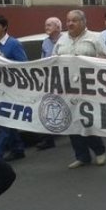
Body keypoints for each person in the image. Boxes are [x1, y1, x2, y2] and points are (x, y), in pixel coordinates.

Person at [54, 10, 106, 169]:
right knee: (72, 122)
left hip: (89, 88)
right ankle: (82, 156)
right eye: (68, 21)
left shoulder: (95, 37)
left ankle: (99, 151)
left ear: (83, 22)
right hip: (67, 89)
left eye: (74, 20)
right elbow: (54, 61)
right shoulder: (61, 39)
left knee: (86, 121)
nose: (70, 24)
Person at [0, 14, 28, 161]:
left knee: (3, 121)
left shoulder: (14, 44)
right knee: (7, 120)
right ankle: (18, 149)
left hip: (11, 89)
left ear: (4, 27)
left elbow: (23, 65)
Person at [35, 17, 63, 151]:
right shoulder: (45, 42)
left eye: (49, 25)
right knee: (49, 106)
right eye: (45, 25)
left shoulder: (65, 40)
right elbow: (43, 59)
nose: (46, 27)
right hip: (50, 79)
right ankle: (48, 139)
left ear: (58, 27)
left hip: (65, 79)